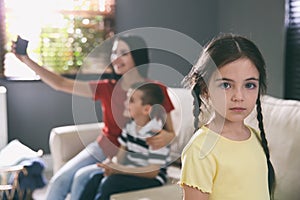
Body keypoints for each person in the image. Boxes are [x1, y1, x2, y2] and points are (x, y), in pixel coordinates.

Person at [12, 35, 175, 200]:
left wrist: (168, 136)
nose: (116, 58)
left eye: (123, 53)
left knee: (81, 178)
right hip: (103, 147)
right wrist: (26, 60)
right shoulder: (106, 88)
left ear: (137, 56)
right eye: (114, 53)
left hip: (130, 156)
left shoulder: (155, 90)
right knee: (59, 181)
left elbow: (169, 131)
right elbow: (60, 83)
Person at [179, 33, 276, 200]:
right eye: (226, 85)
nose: (239, 96)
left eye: (249, 85)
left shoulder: (255, 137)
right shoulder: (200, 150)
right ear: (205, 89)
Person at [80, 82, 171, 200]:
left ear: (146, 109)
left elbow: (152, 172)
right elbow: (121, 157)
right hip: (130, 172)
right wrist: (111, 165)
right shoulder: (130, 127)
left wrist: (119, 170)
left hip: (151, 179)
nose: (125, 103)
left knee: (110, 183)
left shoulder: (156, 134)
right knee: (95, 178)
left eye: (131, 100)